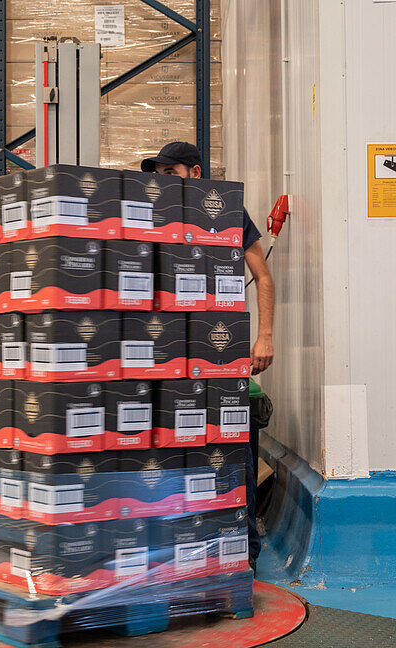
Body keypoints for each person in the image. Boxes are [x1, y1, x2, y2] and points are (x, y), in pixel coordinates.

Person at [141, 142, 275, 571]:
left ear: (194, 173)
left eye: (169, 171)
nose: (160, 179)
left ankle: (244, 554)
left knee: (234, 448)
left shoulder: (227, 211)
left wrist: (265, 337)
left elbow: (263, 277)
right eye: (156, 172)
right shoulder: (151, 211)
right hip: (166, 352)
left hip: (220, 349)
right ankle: (176, 548)